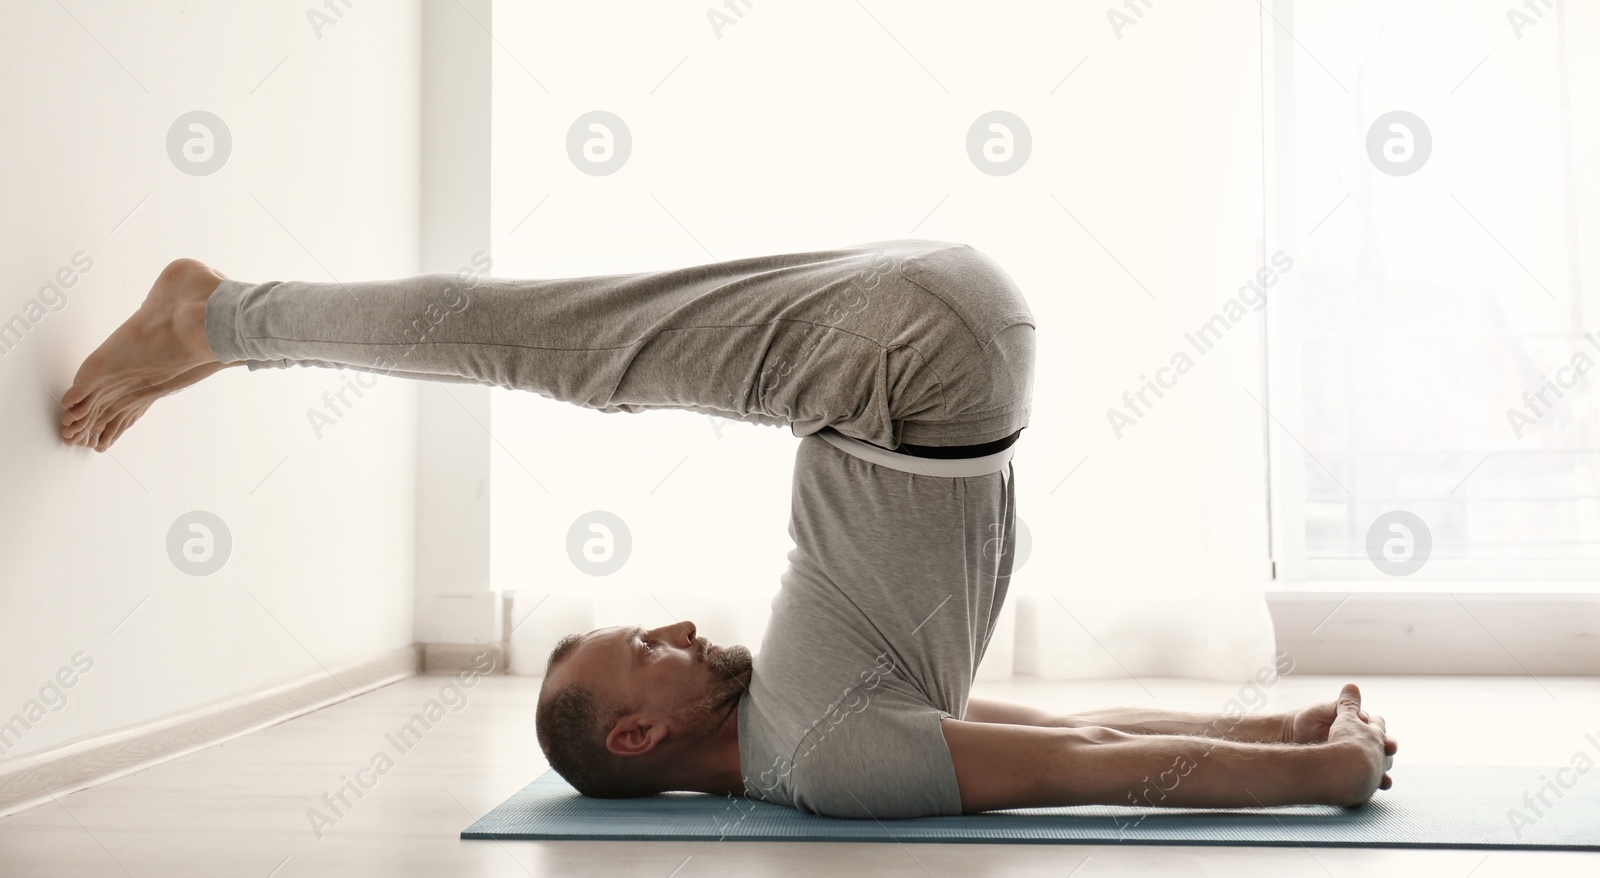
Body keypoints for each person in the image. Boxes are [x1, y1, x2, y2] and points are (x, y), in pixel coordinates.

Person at [60, 239, 1396, 818]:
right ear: (637, 735)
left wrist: (1299, 746)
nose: (680, 622)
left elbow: (1078, 747)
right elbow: (1086, 761)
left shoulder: (819, 739)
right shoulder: (827, 757)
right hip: (909, 355)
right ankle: (220, 318)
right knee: (556, 346)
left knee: (564, 347)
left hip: (914, 359)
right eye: (642, 646)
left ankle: (227, 324)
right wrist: (1309, 759)